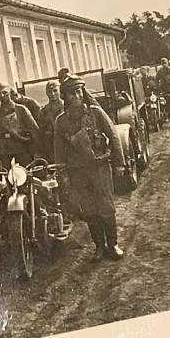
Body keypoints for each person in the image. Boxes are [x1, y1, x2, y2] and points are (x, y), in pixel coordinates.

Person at [54, 75, 126, 262]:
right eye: (71, 93)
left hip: (99, 167)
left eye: (79, 91)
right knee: (89, 210)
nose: (76, 96)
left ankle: (113, 244)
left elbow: (114, 136)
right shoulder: (61, 122)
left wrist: (119, 164)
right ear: (65, 97)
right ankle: (99, 247)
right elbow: (59, 152)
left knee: (106, 207)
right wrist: (64, 176)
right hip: (77, 171)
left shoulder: (95, 113)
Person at [0, 82, 40, 169]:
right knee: (8, 178)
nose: (2, 96)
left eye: (4, 92)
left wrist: (37, 152)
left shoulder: (21, 110)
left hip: (22, 148)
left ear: (9, 92)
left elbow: (34, 130)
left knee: (27, 175)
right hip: (5, 151)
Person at [37, 80, 64, 163]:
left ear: (60, 90)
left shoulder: (67, 107)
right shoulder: (43, 111)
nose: (52, 94)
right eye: (49, 92)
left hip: (68, 144)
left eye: (55, 91)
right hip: (51, 148)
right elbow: (41, 133)